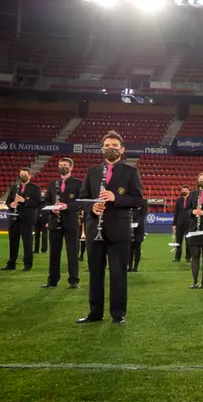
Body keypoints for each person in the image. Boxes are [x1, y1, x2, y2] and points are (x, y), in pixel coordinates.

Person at [77, 131, 143, 325]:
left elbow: (138, 200)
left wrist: (117, 198)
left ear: (122, 150)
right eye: (107, 146)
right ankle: (95, 313)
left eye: (115, 146)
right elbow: (83, 199)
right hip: (94, 229)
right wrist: (92, 208)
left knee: (118, 273)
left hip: (119, 231)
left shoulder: (131, 172)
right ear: (102, 149)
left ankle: (118, 313)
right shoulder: (92, 172)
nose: (111, 149)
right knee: (95, 273)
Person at [41, 158, 82, 288]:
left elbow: (81, 202)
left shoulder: (78, 184)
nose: (62, 167)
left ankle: (73, 280)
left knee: (72, 252)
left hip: (70, 223)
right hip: (54, 222)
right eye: (60, 165)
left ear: (71, 167)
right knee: (54, 253)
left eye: (64, 165)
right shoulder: (53, 184)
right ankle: (52, 280)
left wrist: (67, 206)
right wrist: (51, 208)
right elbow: (46, 201)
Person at [2, 168, 41, 271]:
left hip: (27, 219)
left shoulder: (35, 188)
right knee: (13, 241)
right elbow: (8, 201)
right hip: (14, 218)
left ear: (29, 176)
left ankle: (27, 264)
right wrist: (11, 204)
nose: (22, 176)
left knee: (27, 243)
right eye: (21, 174)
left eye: (25, 174)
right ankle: (11, 264)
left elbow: (38, 203)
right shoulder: (14, 187)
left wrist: (24, 201)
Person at [172, 185, 192, 263]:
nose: (183, 191)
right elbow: (176, 213)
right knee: (178, 242)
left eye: (185, 190)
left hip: (189, 224)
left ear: (188, 191)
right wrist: (174, 224)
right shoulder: (179, 200)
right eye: (182, 190)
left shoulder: (191, 200)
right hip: (179, 224)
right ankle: (177, 258)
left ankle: (188, 257)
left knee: (188, 242)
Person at [129, 199, 148, 272]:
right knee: (129, 248)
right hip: (129, 228)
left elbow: (143, 215)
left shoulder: (143, 202)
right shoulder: (129, 201)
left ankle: (135, 267)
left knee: (137, 247)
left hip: (139, 228)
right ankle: (129, 267)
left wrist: (135, 223)